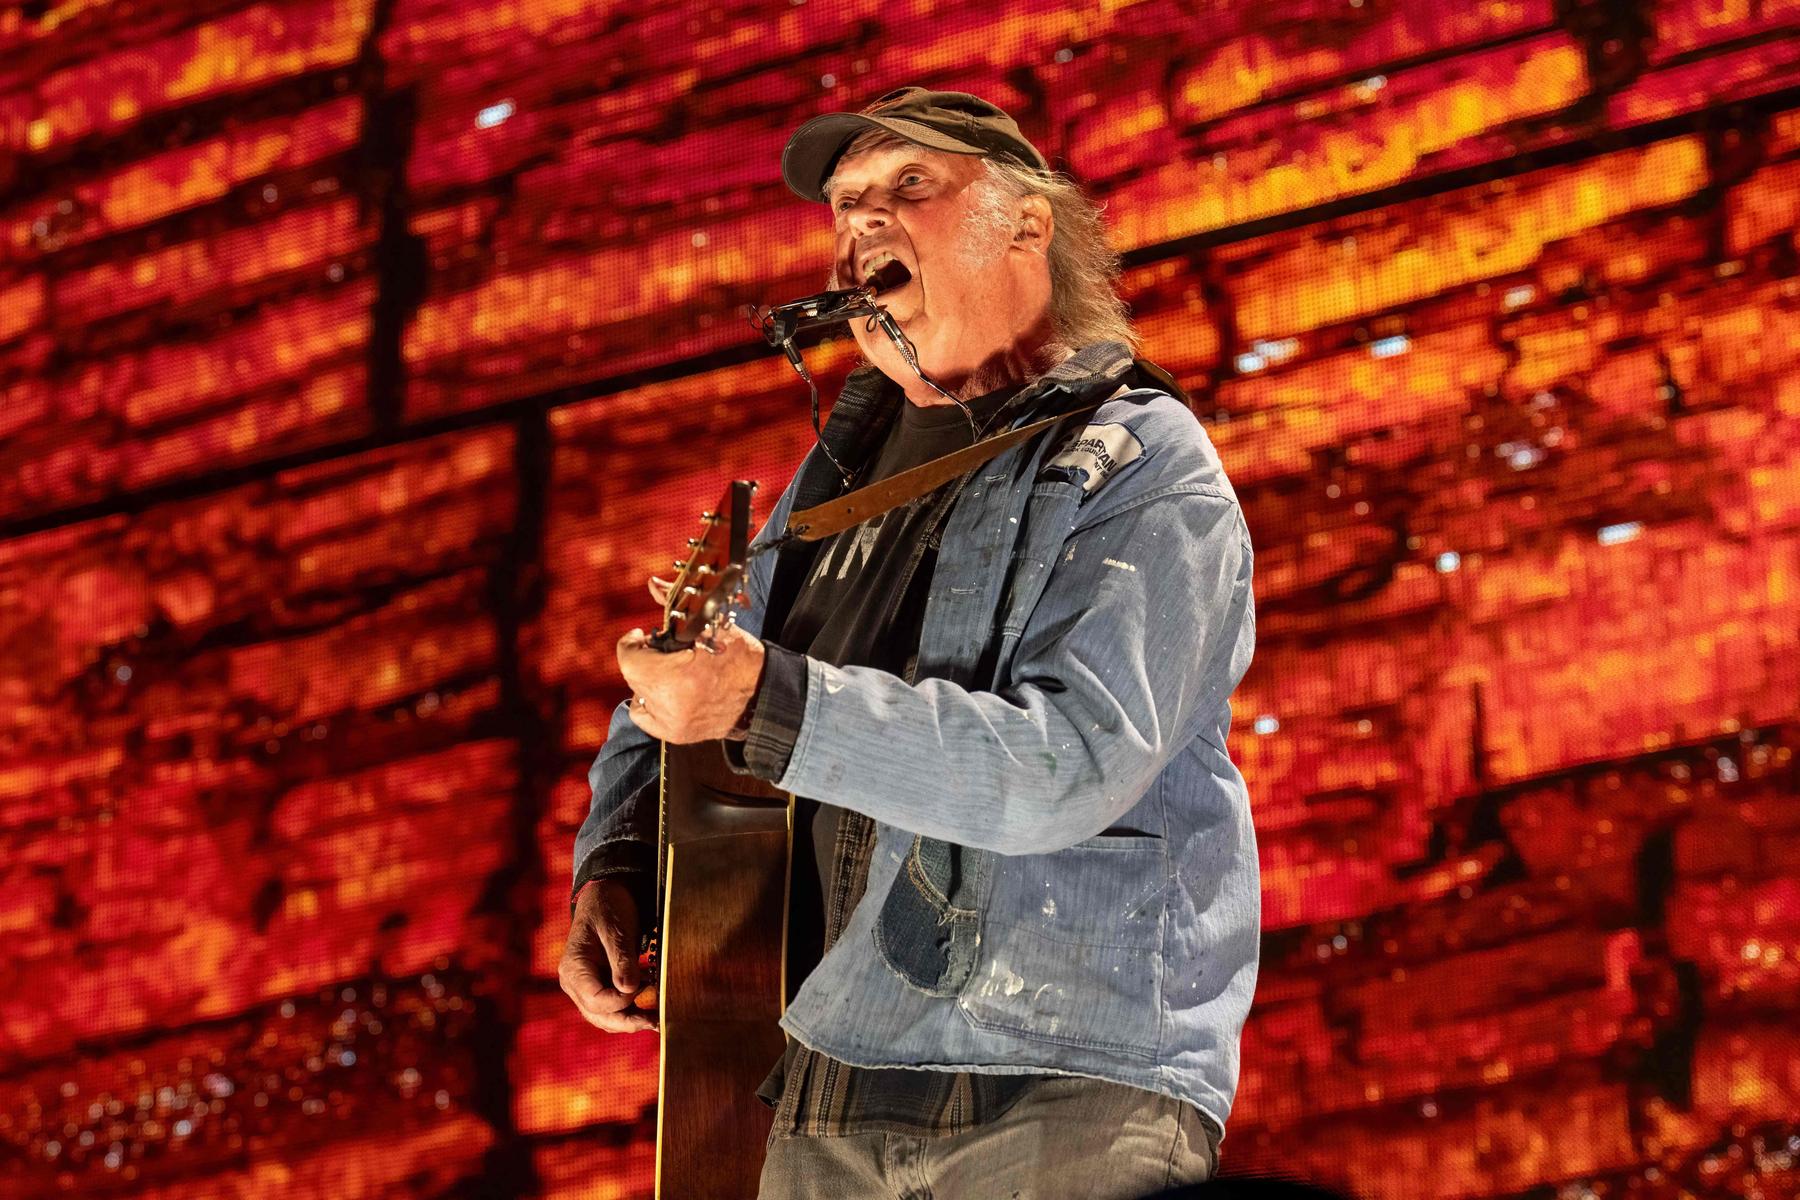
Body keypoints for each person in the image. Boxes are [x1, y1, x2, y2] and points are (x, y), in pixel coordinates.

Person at [560, 86, 1261, 1200]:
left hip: (1061, 1081)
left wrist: (767, 703)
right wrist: (621, 856)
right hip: (830, 1072)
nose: (862, 220)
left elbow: (1067, 764)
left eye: (911, 185)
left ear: (1027, 224)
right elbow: (700, 679)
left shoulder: (1140, 461)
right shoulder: (830, 481)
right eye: (845, 203)